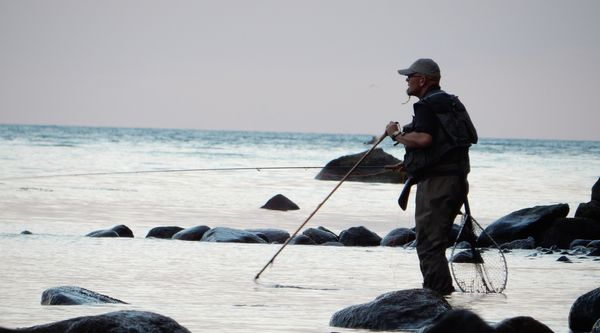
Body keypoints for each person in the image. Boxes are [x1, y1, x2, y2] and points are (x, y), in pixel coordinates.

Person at [385, 58, 477, 295]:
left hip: (437, 186)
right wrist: (409, 163)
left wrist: (395, 134)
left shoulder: (425, 106)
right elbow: (446, 144)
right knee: (436, 243)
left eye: (410, 76)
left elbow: (425, 139)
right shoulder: (451, 102)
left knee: (428, 245)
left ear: (422, 80)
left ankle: (436, 299)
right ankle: (442, 300)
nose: (407, 80)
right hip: (456, 182)